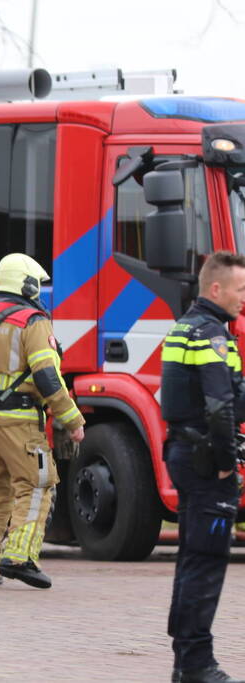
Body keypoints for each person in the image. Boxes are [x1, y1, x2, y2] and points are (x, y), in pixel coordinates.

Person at [0, 253, 85, 590]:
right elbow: (48, 376)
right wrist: (72, 419)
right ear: (27, 284)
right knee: (37, 486)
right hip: (18, 422)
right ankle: (20, 556)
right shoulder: (32, 322)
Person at [162, 251, 245, 683]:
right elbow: (220, 407)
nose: (243, 298)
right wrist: (228, 465)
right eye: (240, 289)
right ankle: (196, 664)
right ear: (216, 289)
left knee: (191, 560)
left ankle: (185, 659)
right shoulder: (212, 335)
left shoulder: (183, 328)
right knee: (206, 562)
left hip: (183, 453)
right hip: (207, 463)